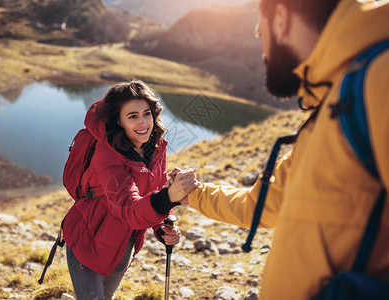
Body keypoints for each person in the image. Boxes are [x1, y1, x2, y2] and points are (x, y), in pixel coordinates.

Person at [169, 0, 389, 299]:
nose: (262, 53)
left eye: (262, 34)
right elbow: (258, 206)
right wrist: (192, 193)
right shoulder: (331, 107)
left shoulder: (380, 78)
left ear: (282, 20)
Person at [62, 80, 199, 299]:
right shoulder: (106, 154)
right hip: (86, 240)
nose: (143, 122)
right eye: (132, 116)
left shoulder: (155, 149)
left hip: (124, 245)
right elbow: (128, 208)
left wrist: (162, 227)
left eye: (147, 113)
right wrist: (168, 197)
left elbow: (152, 193)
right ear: (119, 121)